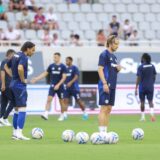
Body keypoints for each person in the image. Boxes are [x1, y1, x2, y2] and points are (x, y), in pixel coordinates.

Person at [4, 41, 35, 140]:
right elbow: (20, 68)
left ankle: (14, 133)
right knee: (22, 108)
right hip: (19, 85)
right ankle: (19, 133)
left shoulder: (15, 55)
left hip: (12, 84)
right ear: (28, 49)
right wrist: (22, 79)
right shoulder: (24, 57)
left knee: (16, 109)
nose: (33, 52)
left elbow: (5, 66)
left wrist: (13, 76)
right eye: (33, 50)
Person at [31, 52, 67, 121]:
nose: (54, 58)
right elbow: (45, 73)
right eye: (54, 57)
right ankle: (46, 114)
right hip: (52, 86)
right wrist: (36, 78)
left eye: (56, 57)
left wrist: (58, 85)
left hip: (60, 87)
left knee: (61, 101)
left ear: (59, 57)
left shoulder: (63, 67)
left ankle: (62, 115)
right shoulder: (51, 66)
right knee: (49, 99)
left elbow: (64, 78)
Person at [98, 35, 122, 133]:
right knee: (104, 108)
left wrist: (118, 69)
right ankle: (101, 133)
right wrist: (104, 83)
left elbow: (112, 71)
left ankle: (105, 132)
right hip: (105, 85)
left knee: (109, 108)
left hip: (113, 85)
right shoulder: (104, 54)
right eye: (116, 44)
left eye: (118, 44)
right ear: (110, 43)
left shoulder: (114, 57)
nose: (117, 46)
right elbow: (100, 69)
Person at [135, 53, 156, 122]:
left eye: (141, 58)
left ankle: (143, 118)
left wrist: (136, 87)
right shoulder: (152, 66)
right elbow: (154, 76)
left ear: (144, 59)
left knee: (142, 102)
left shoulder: (141, 67)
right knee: (150, 101)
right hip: (150, 86)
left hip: (142, 87)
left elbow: (138, 78)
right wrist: (152, 83)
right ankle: (152, 114)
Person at [0, 49, 15, 127]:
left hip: (6, 85)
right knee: (13, 101)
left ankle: (1, 119)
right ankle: (4, 118)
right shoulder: (5, 61)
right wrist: (3, 84)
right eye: (13, 55)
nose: (14, 57)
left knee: (4, 103)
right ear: (9, 54)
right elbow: (2, 72)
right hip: (6, 85)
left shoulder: (9, 62)